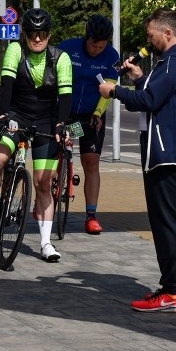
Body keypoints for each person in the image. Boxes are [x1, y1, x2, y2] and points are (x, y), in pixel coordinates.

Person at [97, 7, 176, 313]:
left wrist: (113, 90)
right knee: (174, 220)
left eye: (151, 35)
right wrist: (140, 77)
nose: (149, 41)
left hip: (166, 153)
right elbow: (156, 95)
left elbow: (148, 101)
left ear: (167, 33)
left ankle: (173, 290)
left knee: (166, 223)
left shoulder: (174, 62)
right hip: (172, 151)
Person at [0, 8, 72, 262]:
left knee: (43, 182)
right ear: (25, 35)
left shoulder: (60, 58)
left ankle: (46, 243)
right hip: (17, 115)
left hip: (46, 120)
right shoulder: (15, 51)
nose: (37, 39)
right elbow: (6, 86)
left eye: (42, 34)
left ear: (49, 35)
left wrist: (62, 124)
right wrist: (4, 115)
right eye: (32, 34)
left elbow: (65, 97)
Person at [58, 14, 120, 235]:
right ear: (87, 38)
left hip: (92, 114)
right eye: (94, 45)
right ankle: (48, 197)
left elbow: (109, 88)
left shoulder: (112, 56)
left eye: (101, 46)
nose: (97, 50)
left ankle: (91, 216)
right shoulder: (68, 48)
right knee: (56, 153)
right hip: (66, 111)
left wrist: (98, 112)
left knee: (91, 162)